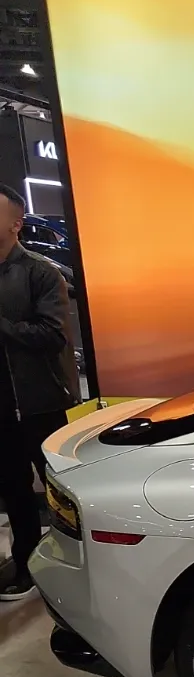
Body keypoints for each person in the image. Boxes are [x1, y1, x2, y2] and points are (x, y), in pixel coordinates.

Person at [0, 182, 80, 601]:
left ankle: (71, 569)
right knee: (12, 488)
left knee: (58, 491)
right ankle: (25, 561)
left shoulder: (39, 272)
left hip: (40, 402)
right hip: (1, 407)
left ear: (16, 223)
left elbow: (52, 336)